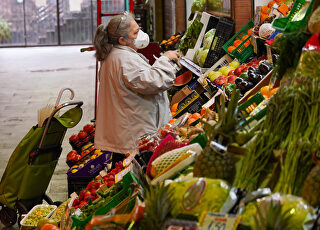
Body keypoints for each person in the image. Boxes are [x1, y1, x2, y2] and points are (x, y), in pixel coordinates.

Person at [93, 12, 180, 168]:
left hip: (126, 132)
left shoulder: (116, 54)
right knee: (135, 174)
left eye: (138, 29)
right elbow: (153, 82)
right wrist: (165, 60)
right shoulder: (124, 59)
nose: (140, 34)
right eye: (135, 33)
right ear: (122, 40)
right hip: (133, 136)